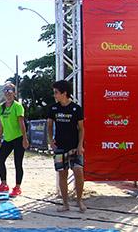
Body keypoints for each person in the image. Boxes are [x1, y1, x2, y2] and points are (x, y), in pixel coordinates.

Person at [47, 80, 86, 213]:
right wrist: (50, 140)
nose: (54, 95)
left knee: (78, 172)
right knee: (62, 174)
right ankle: (65, 203)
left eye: (56, 92)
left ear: (64, 93)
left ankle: (79, 200)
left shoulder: (76, 108)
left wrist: (80, 145)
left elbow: (81, 129)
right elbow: (49, 125)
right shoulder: (53, 108)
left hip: (75, 146)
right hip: (60, 147)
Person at [0, 82, 29, 197]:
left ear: (14, 93)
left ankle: (17, 187)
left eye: (10, 91)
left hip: (18, 138)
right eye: (5, 90)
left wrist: (25, 138)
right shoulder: (1, 107)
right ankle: (4, 184)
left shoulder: (17, 106)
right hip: (7, 139)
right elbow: (1, 124)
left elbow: (21, 122)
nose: (7, 93)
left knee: (18, 163)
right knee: (0, 160)